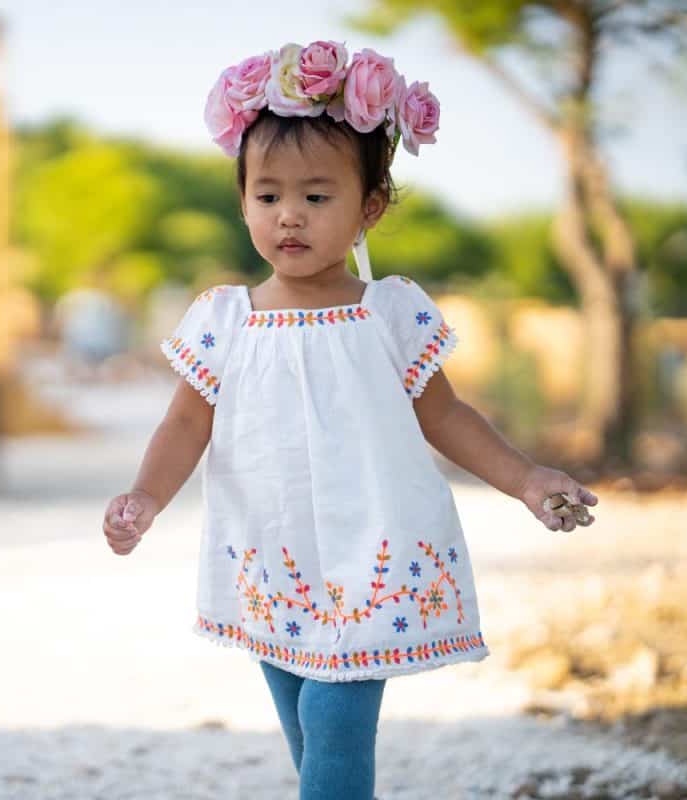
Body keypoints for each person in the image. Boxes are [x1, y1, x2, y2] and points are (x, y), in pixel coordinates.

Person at [100, 40, 599, 800]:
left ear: (369, 206)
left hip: (374, 547)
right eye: (267, 196)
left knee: (335, 719)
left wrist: (525, 478)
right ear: (243, 202)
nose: (288, 216)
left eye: (316, 196)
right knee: (308, 728)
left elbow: (446, 415)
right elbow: (182, 425)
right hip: (270, 556)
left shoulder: (388, 312)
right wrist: (144, 496)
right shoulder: (223, 319)